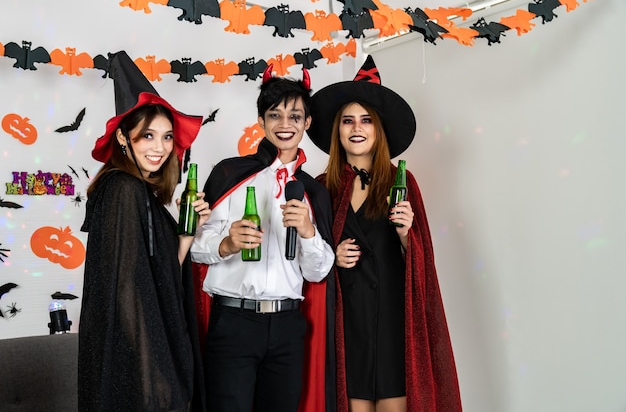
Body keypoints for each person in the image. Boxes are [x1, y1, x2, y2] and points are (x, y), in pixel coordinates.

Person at [307, 56, 462, 412]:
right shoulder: (320, 189)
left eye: (365, 120)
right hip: (346, 326)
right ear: (337, 130)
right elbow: (306, 259)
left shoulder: (401, 182)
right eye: (347, 120)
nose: (356, 128)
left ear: (378, 130)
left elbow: (423, 264)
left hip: (394, 323)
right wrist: (333, 256)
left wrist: (408, 234)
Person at [190, 65, 336, 412]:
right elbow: (194, 246)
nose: (285, 124)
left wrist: (308, 233)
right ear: (261, 121)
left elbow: (318, 273)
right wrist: (226, 243)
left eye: (295, 116)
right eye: (275, 115)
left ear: (307, 123)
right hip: (234, 323)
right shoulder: (229, 174)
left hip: (288, 325)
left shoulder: (313, 191)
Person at [78, 51, 211, 411]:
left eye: (168, 137)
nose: (160, 147)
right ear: (123, 138)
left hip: (132, 364)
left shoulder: (131, 190)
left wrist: (186, 234)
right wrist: (156, 376)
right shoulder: (125, 189)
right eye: (147, 135)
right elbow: (127, 289)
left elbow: (158, 275)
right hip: (135, 370)